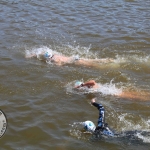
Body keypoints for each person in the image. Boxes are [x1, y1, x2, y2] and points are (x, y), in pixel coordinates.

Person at [74, 80, 150, 101]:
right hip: (114, 91)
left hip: (114, 93)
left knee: (134, 97)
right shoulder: (89, 89)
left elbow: (93, 81)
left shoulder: (89, 85)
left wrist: (81, 85)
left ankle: (146, 98)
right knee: (134, 94)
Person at [26, 51, 114, 67]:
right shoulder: (55, 55)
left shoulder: (54, 60)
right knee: (91, 60)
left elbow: (60, 65)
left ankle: (106, 66)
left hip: (75, 62)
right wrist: (32, 55)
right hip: (75, 57)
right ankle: (106, 60)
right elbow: (41, 53)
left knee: (92, 65)